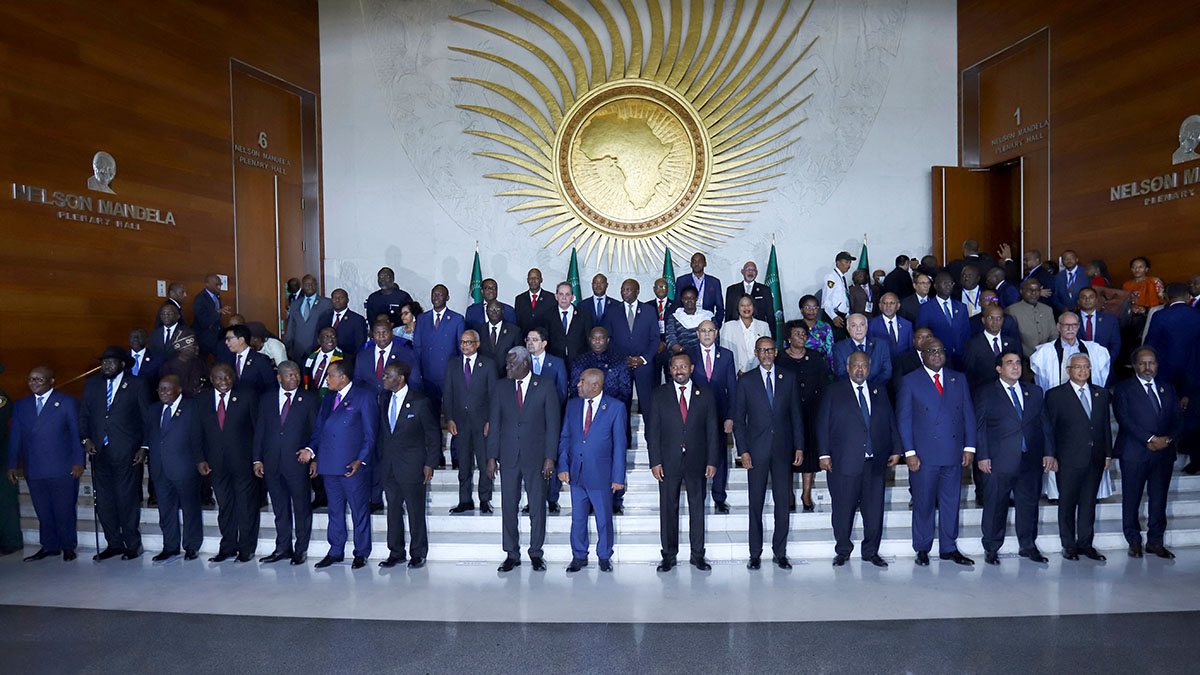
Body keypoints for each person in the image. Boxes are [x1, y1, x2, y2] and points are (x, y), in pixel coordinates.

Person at [896, 338, 976, 566]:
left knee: (951, 502)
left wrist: (969, 446)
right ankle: (922, 547)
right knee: (923, 503)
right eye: (932, 351)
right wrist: (909, 452)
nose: (937, 355)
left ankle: (949, 547)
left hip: (952, 452)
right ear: (923, 355)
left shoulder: (957, 378)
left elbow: (968, 414)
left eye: (940, 351)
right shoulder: (910, 381)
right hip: (923, 456)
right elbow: (904, 419)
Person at [817, 351, 899, 567]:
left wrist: (896, 449)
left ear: (869, 368)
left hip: (875, 462)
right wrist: (824, 454)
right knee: (843, 510)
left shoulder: (879, 390)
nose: (860, 369)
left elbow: (890, 421)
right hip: (843, 462)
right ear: (847, 367)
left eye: (864, 366)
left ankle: (871, 551)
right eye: (856, 365)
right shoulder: (834, 391)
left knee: (874, 511)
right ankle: (843, 550)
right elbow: (823, 423)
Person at [974, 352, 1054, 565]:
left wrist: (1048, 452)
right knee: (995, 506)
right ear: (999, 368)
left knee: (1029, 505)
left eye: (1018, 363)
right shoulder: (986, 393)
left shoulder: (1035, 392)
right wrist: (982, 456)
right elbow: (979, 427)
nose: (1015, 367)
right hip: (999, 460)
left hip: (1031, 460)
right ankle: (991, 547)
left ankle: (1028, 546)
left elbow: (1044, 424)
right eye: (1009, 363)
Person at [488, 347, 562, 572]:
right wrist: (491, 456)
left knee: (537, 506)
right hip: (508, 455)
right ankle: (511, 553)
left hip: (537, 456)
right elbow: (494, 424)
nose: (507, 368)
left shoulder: (546, 385)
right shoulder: (500, 387)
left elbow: (553, 425)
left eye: (511, 364)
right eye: (507, 364)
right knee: (509, 505)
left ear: (525, 365)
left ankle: (536, 553)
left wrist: (550, 457)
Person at [733, 336, 804, 570]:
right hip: (756, 451)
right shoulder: (746, 381)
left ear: (776, 352)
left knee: (783, 503)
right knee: (756, 503)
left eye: (770, 350)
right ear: (756, 353)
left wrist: (799, 446)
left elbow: (796, 415)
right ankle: (755, 554)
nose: (766, 354)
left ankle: (780, 552)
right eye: (762, 350)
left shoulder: (789, 378)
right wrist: (742, 451)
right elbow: (739, 421)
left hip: (783, 450)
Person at [302, 360, 378, 569]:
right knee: (334, 511)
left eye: (330, 376)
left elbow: (371, 434)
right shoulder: (328, 398)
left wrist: (361, 460)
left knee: (358, 510)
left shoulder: (364, 396)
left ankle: (361, 552)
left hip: (352, 466)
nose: (326, 380)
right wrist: (311, 451)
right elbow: (319, 429)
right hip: (329, 465)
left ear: (343, 377)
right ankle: (335, 550)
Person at [647, 353, 718, 572]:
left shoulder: (705, 393)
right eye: (675, 367)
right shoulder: (659, 394)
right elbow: (653, 431)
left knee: (697, 508)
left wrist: (712, 460)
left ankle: (698, 555)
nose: (680, 371)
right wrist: (655, 461)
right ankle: (668, 555)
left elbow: (712, 430)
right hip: (668, 461)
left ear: (691, 368)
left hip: (697, 460)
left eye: (684, 366)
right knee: (668, 508)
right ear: (670, 369)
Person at [6, 367, 82, 561]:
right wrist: (12, 464)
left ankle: (68, 546)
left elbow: (76, 435)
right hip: (35, 468)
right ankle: (49, 546)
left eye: (39, 379)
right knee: (43, 510)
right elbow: (15, 437)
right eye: (31, 379)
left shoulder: (67, 402)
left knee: (64, 508)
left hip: (62, 466)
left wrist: (78, 462)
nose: (34, 383)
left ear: (52, 381)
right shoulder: (22, 405)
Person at [80, 346, 148, 561]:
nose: (106, 365)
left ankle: (132, 544)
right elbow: (84, 415)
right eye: (104, 361)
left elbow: (147, 418)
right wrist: (86, 439)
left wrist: (144, 446)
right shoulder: (92, 385)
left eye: (111, 361)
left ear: (122, 364)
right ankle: (114, 544)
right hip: (99, 452)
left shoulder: (137, 384)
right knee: (105, 501)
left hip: (127, 451)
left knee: (126, 499)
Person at [558, 369, 627, 573]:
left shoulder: (615, 407)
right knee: (578, 518)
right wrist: (563, 465)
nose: (577, 385)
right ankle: (578, 556)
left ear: (595, 386)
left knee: (603, 518)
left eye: (581, 382)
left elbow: (619, 446)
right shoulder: (572, 405)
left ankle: (604, 556)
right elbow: (565, 438)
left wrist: (618, 477)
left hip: (602, 475)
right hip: (576, 473)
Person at [1045, 353, 1112, 561]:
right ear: (1068, 370)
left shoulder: (1100, 394)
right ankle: (1069, 545)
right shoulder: (1055, 395)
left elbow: (1105, 427)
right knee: (1067, 503)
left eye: (1086, 367)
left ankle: (1085, 544)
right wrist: (1051, 455)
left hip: (1095, 457)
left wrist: (1108, 454)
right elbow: (1049, 429)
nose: (1083, 371)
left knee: (1089, 502)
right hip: (1068, 459)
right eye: (1078, 367)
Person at [1115, 347, 1181, 559]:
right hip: (1135, 453)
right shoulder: (1124, 389)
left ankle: (1155, 542)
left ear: (1157, 365)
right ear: (1135, 365)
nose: (1147, 367)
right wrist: (1149, 439)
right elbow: (1124, 420)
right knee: (1132, 499)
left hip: (1163, 454)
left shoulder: (1168, 388)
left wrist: (1167, 440)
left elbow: (1177, 419)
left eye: (1151, 363)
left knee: (1159, 499)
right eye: (1142, 363)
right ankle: (1134, 541)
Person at [253, 361, 318, 565]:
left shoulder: (309, 398)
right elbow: (260, 431)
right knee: (280, 508)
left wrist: (313, 455)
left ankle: (301, 549)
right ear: (279, 378)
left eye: (297, 375)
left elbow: (317, 430)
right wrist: (257, 459)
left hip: (298, 462)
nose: (294, 378)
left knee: (301, 507)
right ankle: (282, 548)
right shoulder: (266, 399)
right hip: (272, 463)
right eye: (289, 375)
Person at [376, 361, 439, 569]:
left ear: (401, 378)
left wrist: (430, 463)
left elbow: (432, 435)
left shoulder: (420, 401)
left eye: (388, 375)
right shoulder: (384, 399)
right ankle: (396, 551)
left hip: (413, 466)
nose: (383, 378)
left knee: (415, 510)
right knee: (393, 510)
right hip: (389, 465)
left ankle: (418, 552)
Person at [198, 363, 259, 563]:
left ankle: (246, 548)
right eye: (218, 378)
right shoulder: (202, 399)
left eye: (227, 378)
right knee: (225, 506)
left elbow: (258, 431)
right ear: (211, 379)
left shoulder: (247, 396)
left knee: (245, 506)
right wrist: (200, 459)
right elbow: (197, 433)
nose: (223, 382)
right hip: (216, 464)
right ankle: (228, 547)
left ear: (233, 378)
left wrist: (257, 459)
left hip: (243, 461)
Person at [141, 375, 204, 562]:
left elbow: (198, 437)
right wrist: (144, 448)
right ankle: (170, 546)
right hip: (160, 468)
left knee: (190, 508)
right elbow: (150, 434)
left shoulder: (192, 408)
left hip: (185, 467)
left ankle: (191, 546)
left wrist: (200, 460)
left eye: (167, 389)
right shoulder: (153, 410)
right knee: (166, 510)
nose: (163, 393)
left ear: (179, 390)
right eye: (160, 389)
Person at [775, 320, 830, 513]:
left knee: (809, 453)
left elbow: (825, 384)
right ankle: (788, 494)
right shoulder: (780, 358)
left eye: (804, 334)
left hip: (812, 412)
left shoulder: (815, 357)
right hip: (787, 413)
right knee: (788, 452)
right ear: (789, 338)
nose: (801, 337)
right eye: (797, 334)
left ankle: (806, 494)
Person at [443, 330, 498, 513]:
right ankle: (464, 500)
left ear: (477, 344)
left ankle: (484, 499)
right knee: (463, 464)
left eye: (468, 342)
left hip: (482, 424)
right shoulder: (453, 364)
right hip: (460, 424)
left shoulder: (488, 365)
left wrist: (491, 420)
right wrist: (449, 418)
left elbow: (493, 396)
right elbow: (448, 393)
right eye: (462, 342)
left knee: (484, 463)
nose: (465, 345)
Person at [687, 320, 736, 512]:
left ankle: (719, 497)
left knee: (720, 455)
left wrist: (731, 416)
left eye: (710, 330)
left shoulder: (726, 355)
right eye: (703, 331)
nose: (707, 334)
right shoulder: (688, 354)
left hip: (720, 413)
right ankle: (699, 496)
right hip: (695, 414)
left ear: (716, 333)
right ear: (697, 334)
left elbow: (732, 387)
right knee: (697, 454)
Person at [603, 279, 660, 432]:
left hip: (644, 366)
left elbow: (655, 339)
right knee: (623, 405)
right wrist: (622, 359)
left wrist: (643, 359)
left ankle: (651, 439)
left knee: (647, 405)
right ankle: (624, 440)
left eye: (628, 289)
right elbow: (609, 339)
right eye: (622, 289)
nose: (624, 292)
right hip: (622, 366)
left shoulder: (649, 311)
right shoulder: (612, 311)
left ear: (637, 291)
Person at [413, 284, 465, 430]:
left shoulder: (457, 319)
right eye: (434, 294)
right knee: (430, 418)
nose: (436, 297)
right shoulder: (422, 319)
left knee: (453, 416)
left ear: (447, 298)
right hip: (428, 376)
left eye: (440, 294)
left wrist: (459, 374)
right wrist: (418, 374)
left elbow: (461, 349)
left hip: (449, 375)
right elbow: (417, 348)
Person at [1030, 312, 1111, 393]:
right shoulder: (1045, 352)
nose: (1070, 329)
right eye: (1066, 325)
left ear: (1078, 326)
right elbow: (1041, 382)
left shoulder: (1094, 350)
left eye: (1074, 325)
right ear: (1059, 326)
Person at [916, 272, 970, 368]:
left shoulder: (961, 307)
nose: (948, 286)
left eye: (950, 283)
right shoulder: (926, 308)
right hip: (937, 357)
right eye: (944, 283)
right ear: (936, 286)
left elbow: (966, 332)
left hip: (961, 358)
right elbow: (922, 334)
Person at [964, 305, 1021, 393]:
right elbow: (969, 374)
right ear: (983, 320)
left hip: (1009, 392)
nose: (995, 322)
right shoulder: (972, 344)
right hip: (984, 393)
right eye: (991, 318)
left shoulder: (1011, 342)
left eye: (999, 318)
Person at [355, 321, 423, 394]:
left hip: (395, 400)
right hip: (369, 401)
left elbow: (414, 383)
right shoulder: (362, 356)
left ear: (391, 333)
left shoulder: (407, 354)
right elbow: (357, 381)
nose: (381, 336)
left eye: (385, 332)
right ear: (373, 335)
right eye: (377, 333)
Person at [832, 314, 892, 386]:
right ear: (848, 329)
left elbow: (886, 372)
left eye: (862, 324)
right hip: (851, 391)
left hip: (877, 388)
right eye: (854, 325)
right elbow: (841, 374)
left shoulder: (881, 345)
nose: (859, 329)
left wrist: (869, 387)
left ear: (866, 327)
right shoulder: (839, 348)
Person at [720, 295, 773, 375]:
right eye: (742, 305)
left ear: (753, 306)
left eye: (749, 305)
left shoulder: (763, 326)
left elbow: (769, 351)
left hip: (760, 373)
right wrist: (737, 371)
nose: (746, 308)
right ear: (737, 308)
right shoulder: (728, 327)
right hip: (737, 374)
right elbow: (724, 354)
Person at [284, 274, 332, 361]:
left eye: (312, 284)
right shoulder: (295, 304)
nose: (310, 286)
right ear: (302, 286)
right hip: (298, 350)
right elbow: (291, 327)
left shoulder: (327, 303)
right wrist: (286, 346)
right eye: (307, 284)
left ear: (316, 285)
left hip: (318, 348)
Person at [1006, 279, 1057, 359]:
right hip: (1023, 359)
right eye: (1029, 290)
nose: (1034, 293)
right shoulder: (1012, 311)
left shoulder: (1047, 310)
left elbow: (1054, 334)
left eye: (1037, 290)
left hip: (1047, 357)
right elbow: (1012, 340)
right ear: (1021, 291)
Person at [546, 281, 593, 365]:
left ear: (572, 297)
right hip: (555, 362)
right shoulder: (548, 315)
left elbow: (588, 340)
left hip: (579, 362)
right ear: (556, 296)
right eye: (561, 294)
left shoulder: (584, 315)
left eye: (567, 294)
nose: (564, 298)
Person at [223, 324, 276, 395]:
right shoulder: (227, 360)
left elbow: (271, 386)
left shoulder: (260, 360)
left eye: (229, 339)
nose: (226, 342)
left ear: (241, 340)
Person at [674, 252, 724, 326]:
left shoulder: (714, 282)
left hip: (707, 324)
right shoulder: (681, 281)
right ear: (691, 264)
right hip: (686, 324)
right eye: (694, 261)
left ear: (705, 264)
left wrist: (715, 325)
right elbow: (677, 304)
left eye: (699, 261)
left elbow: (720, 308)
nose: (696, 264)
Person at [724, 260, 775, 332]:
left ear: (756, 273)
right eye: (748, 269)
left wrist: (773, 336)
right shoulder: (732, 290)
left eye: (753, 270)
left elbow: (770, 314)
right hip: (737, 330)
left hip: (759, 329)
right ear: (742, 272)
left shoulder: (765, 290)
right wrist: (727, 331)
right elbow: (728, 313)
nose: (751, 272)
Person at [1075, 286, 1121, 364]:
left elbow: (1115, 345)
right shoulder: (1071, 319)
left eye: (1091, 297)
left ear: (1096, 301)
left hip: (1104, 365)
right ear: (1078, 301)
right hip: (1077, 365)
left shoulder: (1110, 320)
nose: (1087, 300)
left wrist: (1105, 361)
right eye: (1084, 297)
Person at [326, 288, 368, 371]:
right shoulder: (324, 317)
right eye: (334, 298)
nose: (337, 300)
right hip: (326, 362)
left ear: (347, 300)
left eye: (341, 297)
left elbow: (359, 345)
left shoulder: (357, 320)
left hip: (348, 363)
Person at [475, 300, 521, 376]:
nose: (494, 312)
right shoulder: (479, 331)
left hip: (506, 376)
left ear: (502, 311)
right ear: (486, 312)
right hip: (484, 376)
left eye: (497, 309)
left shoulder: (514, 331)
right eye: (490, 309)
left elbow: (518, 356)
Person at [666, 286, 713, 356]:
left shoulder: (707, 316)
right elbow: (670, 340)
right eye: (686, 298)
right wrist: (683, 352)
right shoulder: (674, 317)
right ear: (682, 299)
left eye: (692, 298)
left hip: (705, 354)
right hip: (681, 355)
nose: (689, 301)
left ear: (696, 299)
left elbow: (714, 338)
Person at [158, 331, 208, 397]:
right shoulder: (168, 367)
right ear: (182, 349)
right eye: (193, 347)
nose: (197, 348)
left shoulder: (199, 363)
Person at [193, 273, 232, 358]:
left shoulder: (217, 296)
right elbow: (202, 320)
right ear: (207, 284)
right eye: (216, 285)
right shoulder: (200, 298)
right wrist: (218, 312)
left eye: (220, 284)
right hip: (204, 337)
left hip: (216, 335)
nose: (219, 287)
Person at [525, 327, 568, 402]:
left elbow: (562, 392)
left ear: (544, 343)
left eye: (534, 340)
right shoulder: (523, 361)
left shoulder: (557, 363)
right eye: (528, 340)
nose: (530, 343)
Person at [867, 292, 914, 357]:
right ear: (880, 306)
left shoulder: (907, 325)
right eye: (885, 303)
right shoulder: (871, 325)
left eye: (892, 303)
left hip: (903, 365)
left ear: (898, 306)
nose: (888, 305)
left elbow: (911, 349)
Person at [820, 251, 855, 335]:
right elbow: (826, 301)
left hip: (842, 316)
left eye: (850, 262)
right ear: (838, 263)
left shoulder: (841, 278)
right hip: (834, 316)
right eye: (846, 262)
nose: (849, 265)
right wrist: (833, 316)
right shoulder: (831, 277)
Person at [798, 294, 835, 369]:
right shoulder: (796, 327)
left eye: (815, 307)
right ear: (801, 309)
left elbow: (830, 350)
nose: (812, 310)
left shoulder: (825, 327)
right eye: (808, 307)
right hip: (801, 365)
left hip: (822, 366)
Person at [514, 268, 555, 334]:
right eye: (531, 278)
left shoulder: (551, 298)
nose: (533, 280)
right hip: (525, 340)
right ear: (527, 280)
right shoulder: (519, 299)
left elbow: (553, 322)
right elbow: (518, 323)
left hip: (545, 341)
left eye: (536, 278)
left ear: (541, 280)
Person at [305, 327, 343, 395]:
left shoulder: (344, 358)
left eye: (333, 336)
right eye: (326, 337)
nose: (330, 339)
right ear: (319, 340)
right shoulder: (309, 357)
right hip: (311, 397)